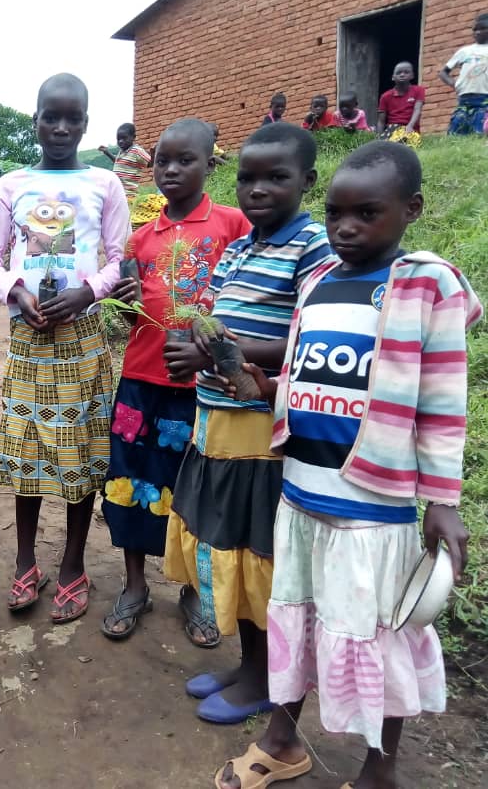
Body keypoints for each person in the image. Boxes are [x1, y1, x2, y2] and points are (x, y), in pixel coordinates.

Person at [215, 141, 482, 789]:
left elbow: (442, 402)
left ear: (411, 210)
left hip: (371, 507)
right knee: (296, 619)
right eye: (336, 214)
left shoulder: (423, 286)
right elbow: (307, 380)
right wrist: (266, 391)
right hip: (302, 495)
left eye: (368, 213)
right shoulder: (318, 282)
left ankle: (380, 768)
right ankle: (282, 740)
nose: (347, 229)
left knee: (377, 636)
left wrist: (442, 501)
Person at [162, 122, 333, 724]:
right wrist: (192, 348)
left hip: (261, 427)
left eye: (276, 178)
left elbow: (314, 340)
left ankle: (264, 678)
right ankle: (246, 664)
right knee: (225, 541)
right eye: (248, 177)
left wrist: (223, 351)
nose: (257, 189)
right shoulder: (239, 247)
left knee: (257, 552)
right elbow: (215, 319)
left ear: (306, 182)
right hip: (216, 418)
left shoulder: (314, 247)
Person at [0, 72, 130, 624]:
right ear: (35, 120)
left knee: (78, 453)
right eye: (51, 117)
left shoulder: (105, 184)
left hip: (82, 338)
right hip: (28, 337)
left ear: (86, 124)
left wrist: (86, 291)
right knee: (27, 449)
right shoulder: (10, 185)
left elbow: (118, 258)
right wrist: (15, 291)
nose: (61, 128)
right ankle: (25, 561)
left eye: (74, 118)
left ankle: (71, 565)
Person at [100, 118, 250, 641]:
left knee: (195, 489)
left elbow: (249, 295)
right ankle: (135, 585)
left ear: (211, 164)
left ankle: (192, 591)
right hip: (142, 377)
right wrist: (124, 304)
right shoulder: (141, 239)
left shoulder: (234, 226)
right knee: (133, 480)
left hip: (204, 389)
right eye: (162, 160)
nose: (169, 170)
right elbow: (131, 316)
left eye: (184, 160)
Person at [440, 13, 488, 135]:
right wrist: (454, 84)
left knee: (480, 130)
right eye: (475, 30)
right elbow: (443, 72)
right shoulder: (465, 51)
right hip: (464, 98)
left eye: (482, 28)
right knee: (456, 130)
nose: (477, 32)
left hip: (485, 97)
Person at [98, 122, 152, 201]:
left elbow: (150, 163)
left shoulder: (136, 151)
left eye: (124, 138)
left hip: (129, 195)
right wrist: (107, 152)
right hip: (118, 193)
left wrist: (155, 154)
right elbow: (118, 162)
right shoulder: (122, 151)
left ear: (133, 137)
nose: (120, 141)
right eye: (118, 139)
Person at [377, 61, 425, 133]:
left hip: (411, 129)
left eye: (406, 72)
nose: (402, 75)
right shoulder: (385, 96)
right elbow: (381, 121)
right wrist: (378, 138)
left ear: (412, 75)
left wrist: (410, 126)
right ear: (393, 77)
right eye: (398, 73)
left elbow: (417, 110)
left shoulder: (418, 90)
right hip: (392, 129)